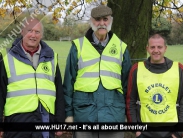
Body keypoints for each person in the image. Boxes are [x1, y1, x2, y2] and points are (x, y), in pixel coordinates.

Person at [63, 4, 131, 138]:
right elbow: (68, 84)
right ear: (91, 21)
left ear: (110, 21)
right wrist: (69, 114)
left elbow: (127, 85)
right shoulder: (78, 47)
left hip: (113, 116)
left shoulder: (121, 47)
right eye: (97, 20)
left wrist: (126, 114)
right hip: (84, 115)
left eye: (105, 19)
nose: (101, 23)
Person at [0, 18, 65, 138]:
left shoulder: (52, 58)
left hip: (45, 119)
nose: (33, 35)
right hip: (17, 121)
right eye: (30, 30)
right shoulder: (6, 57)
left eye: (37, 32)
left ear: (41, 35)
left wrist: (60, 120)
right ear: (22, 32)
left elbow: (59, 91)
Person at [126, 33, 183, 138]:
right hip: (144, 133)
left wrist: (178, 133)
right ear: (147, 48)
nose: (156, 50)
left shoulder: (179, 69)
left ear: (165, 48)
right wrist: (136, 131)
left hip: (171, 132)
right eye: (152, 47)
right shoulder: (137, 69)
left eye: (159, 47)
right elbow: (130, 101)